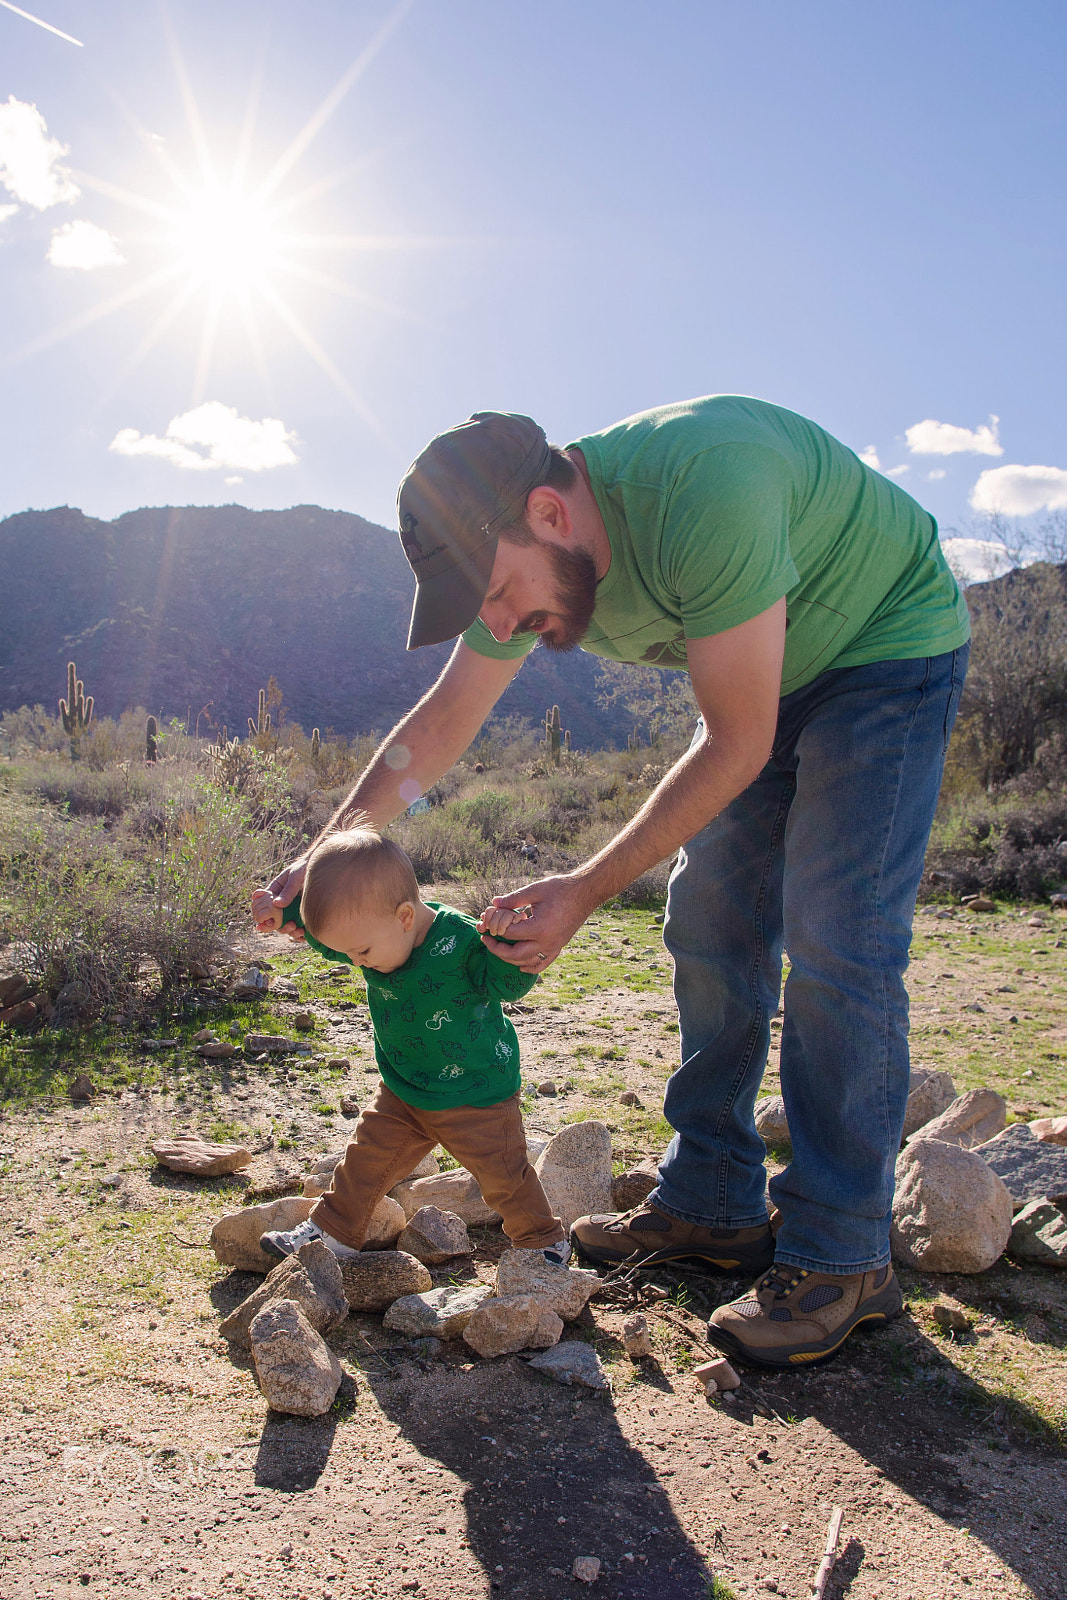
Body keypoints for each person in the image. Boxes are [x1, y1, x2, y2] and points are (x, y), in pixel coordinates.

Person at [259, 397, 970, 1368]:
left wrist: (584, 886)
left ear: (549, 512)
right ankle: (712, 1202)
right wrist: (329, 848)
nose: (504, 624)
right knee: (708, 920)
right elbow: (443, 716)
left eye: (502, 595)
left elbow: (735, 740)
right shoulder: (526, 558)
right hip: (762, 670)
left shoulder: (704, 483)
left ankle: (841, 1255)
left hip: (883, 648)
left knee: (837, 936)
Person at [252, 826, 569, 1265]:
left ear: (404, 916)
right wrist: (289, 917)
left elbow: (509, 984)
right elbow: (338, 939)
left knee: (504, 1177)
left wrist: (511, 943)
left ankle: (543, 1241)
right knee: (363, 1165)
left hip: (475, 1096)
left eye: (362, 953)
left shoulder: (463, 943)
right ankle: (332, 1233)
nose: (356, 962)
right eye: (351, 954)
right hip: (404, 1088)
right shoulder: (371, 930)